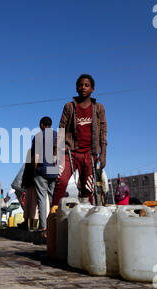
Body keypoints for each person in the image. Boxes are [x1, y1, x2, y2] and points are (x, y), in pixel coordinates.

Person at [52, 74, 107, 207]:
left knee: (87, 188)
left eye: (87, 85)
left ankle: (86, 220)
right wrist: (55, 154)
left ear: (92, 89)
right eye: (80, 85)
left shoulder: (98, 108)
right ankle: (54, 219)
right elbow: (61, 130)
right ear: (76, 88)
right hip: (70, 152)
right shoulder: (69, 107)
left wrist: (103, 154)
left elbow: (103, 131)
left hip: (90, 154)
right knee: (61, 182)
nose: (83, 87)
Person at [31, 117, 58, 237]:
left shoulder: (38, 136)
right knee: (53, 198)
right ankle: (55, 226)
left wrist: (35, 168)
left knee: (42, 199)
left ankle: (44, 228)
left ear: (42, 125)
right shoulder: (57, 136)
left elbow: (36, 155)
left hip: (41, 169)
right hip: (53, 169)